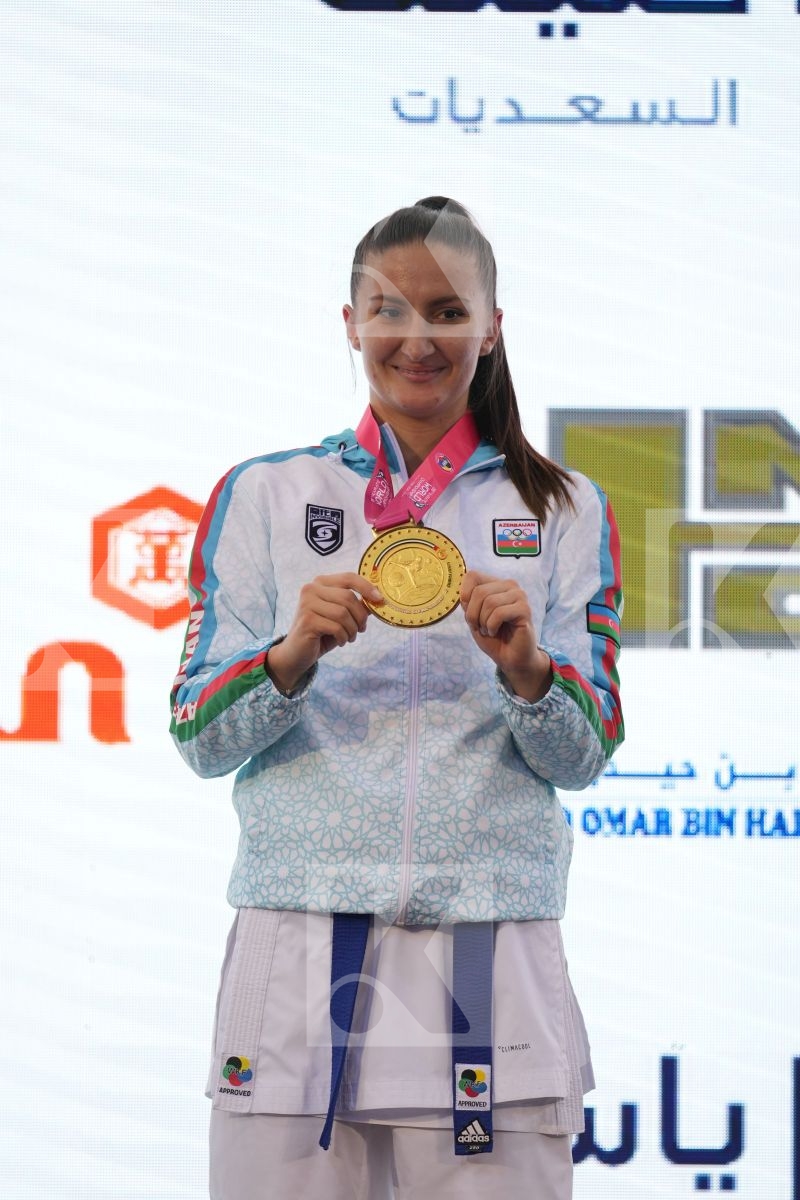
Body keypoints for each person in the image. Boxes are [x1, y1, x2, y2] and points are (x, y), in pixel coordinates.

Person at [170, 196, 623, 1200]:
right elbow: (197, 733)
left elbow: (585, 754)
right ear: (348, 323)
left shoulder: (560, 506)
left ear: (491, 325)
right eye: (388, 310)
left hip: (487, 949)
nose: (416, 339)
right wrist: (290, 653)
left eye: (447, 311)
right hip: (296, 948)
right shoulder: (267, 494)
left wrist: (527, 672)